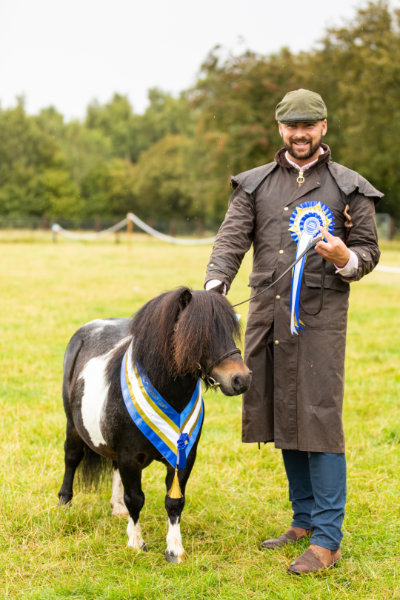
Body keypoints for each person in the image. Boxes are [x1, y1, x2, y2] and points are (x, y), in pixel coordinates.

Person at [205, 89, 382, 574]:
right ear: (279, 129)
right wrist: (215, 283)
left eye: (309, 125)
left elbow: (368, 251)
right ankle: (302, 521)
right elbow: (231, 239)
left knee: (318, 417)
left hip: (322, 320)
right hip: (267, 317)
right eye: (291, 126)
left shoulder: (349, 187)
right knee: (284, 412)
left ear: (324, 127)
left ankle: (327, 540)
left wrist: (345, 257)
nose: (299, 134)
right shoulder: (254, 184)